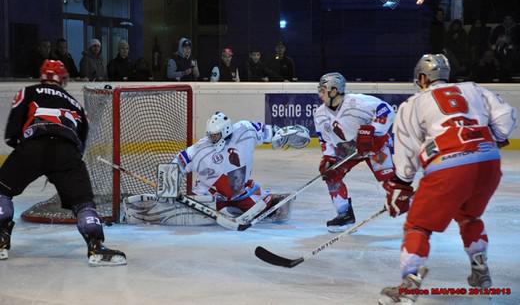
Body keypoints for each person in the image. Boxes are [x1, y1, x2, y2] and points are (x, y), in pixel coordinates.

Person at [378, 54, 517, 305]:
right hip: (488, 161)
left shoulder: (414, 103)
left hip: (449, 164)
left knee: (418, 226)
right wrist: (494, 136)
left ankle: (409, 286)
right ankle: (480, 272)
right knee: (469, 215)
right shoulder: (472, 89)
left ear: (422, 78)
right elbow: (506, 117)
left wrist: (401, 184)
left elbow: (406, 148)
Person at [0, 60, 126, 266]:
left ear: (42, 75)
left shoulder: (28, 91)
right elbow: (81, 146)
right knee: (84, 203)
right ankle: (96, 246)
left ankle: (1, 239)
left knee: (2, 191)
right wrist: (60, 165)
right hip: (67, 151)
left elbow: (11, 135)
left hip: (33, 145)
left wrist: (29, 155)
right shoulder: (75, 103)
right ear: (64, 79)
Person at [171, 112, 310, 222]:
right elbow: (177, 163)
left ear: (225, 131)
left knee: (272, 211)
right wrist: (168, 186)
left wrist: (282, 134)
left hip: (240, 191)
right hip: (211, 195)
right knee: (189, 211)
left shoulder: (245, 129)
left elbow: (269, 132)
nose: (212, 138)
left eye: (215, 135)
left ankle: (269, 200)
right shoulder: (200, 148)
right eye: (210, 135)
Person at [313, 72, 396, 232]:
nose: (320, 94)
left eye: (323, 90)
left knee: (390, 181)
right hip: (347, 150)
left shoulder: (358, 102)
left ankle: (413, 210)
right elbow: (326, 140)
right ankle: (344, 215)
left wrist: (373, 130)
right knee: (330, 173)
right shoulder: (320, 114)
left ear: (334, 91)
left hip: (374, 147)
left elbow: (386, 111)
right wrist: (328, 156)